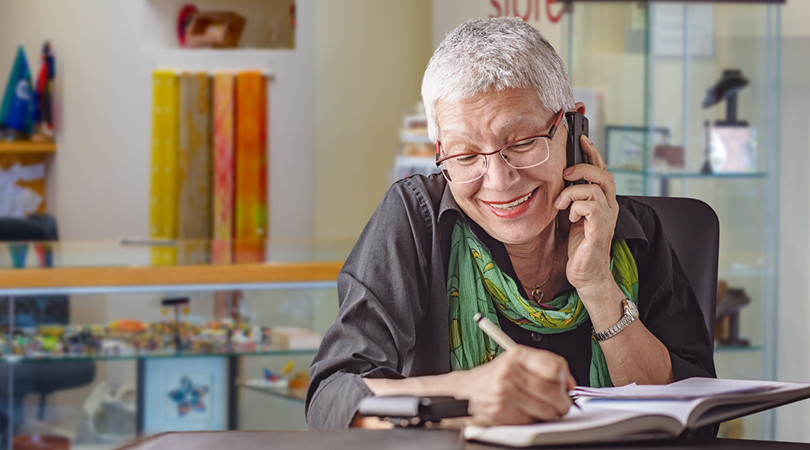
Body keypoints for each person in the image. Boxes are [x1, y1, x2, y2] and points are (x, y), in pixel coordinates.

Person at [306, 17, 715, 429]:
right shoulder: (417, 218)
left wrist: (598, 286)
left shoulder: (633, 230)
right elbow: (334, 396)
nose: (499, 182)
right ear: (441, 151)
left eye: (521, 144)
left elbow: (697, 416)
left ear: (571, 127)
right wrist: (464, 397)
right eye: (465, 156)